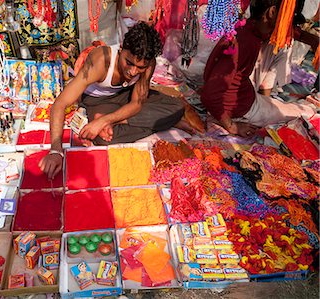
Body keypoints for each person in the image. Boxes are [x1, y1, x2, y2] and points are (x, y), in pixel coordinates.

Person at [39, 22, 185, 179]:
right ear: (121, 49)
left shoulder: (148, 64)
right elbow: (60, 104)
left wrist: (106, 121)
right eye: (128, 62)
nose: (133, 71)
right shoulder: (101, 60)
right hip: (98, 101)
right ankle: (158, 122)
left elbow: (136, 104)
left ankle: (116, 122)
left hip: (126, 95)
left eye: (140, 67)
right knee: (104, 139)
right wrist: (55, 150)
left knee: (177, 107)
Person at [200, 0, 316, 138]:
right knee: (307, 113)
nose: (289, 25)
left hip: (248, 98)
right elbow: (210, 94)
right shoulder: (245, 42)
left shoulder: (249, 28)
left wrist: (314, 41)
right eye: (288, 19)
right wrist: (232, 126)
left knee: (294, 107)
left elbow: (291, 33)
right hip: (242, 111)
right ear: (272, 12)